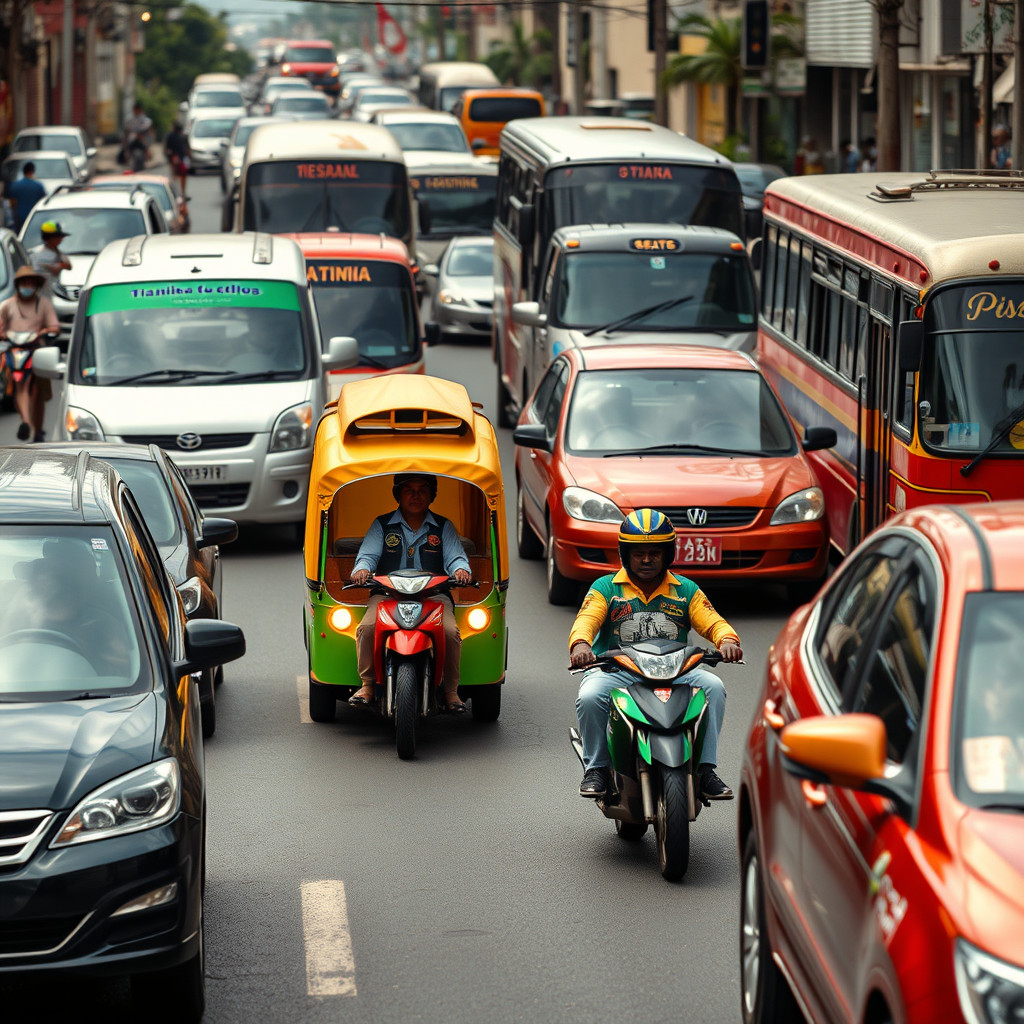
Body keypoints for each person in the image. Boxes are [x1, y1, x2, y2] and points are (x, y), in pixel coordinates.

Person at [568, 509, 743, 800]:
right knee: (590, 695)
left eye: (654, 553)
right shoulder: (605, 587)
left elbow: (712, 621)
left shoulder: (686, 589)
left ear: (667, 554)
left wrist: (726, 640)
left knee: (713, 687)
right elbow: (586, 620)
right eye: (639, 554)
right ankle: (596, 768)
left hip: (677, 670)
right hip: (618, 671)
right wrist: (581, 645)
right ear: (626, 555)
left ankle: (704, 770)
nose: (646, 560)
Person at [349, 473, 472, 712]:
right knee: (367, 628)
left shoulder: (443, 526)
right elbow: (368, 556)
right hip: (387, 594)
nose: (415, 495)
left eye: (422, 490)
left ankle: (450, 692)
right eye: (409, 490)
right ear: (398, 494)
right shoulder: (382, 525)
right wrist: (362, 569)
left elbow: (456, 558)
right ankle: (367, 685)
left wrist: (461, 570)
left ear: (432, 495)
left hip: (433, 595)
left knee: (450, 632)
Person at [8, 538, 131, 675]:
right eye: (39, 583)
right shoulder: (18, 614)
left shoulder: (103, 624)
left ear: (75, 592)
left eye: (57, 583)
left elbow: (125, 669)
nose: (47, 588)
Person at [0, 265, 59, 442]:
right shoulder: (8, 305)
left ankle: (38, 430)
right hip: (15, 351)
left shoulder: (44, 304)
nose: (27, 286)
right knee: (20, 385)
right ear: (18, 285)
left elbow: (54, 326)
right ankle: (25, 422)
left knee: (38, 392)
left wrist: (46, 332)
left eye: (30, 283)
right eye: (24, 283)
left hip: (37, 351)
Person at [28, 220, 72, 299]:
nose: (61, 239)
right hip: (40, 294)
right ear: (50, 238)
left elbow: (68, 266)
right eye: (58, 237)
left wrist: (60, 265)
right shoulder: (37, 254)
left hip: (51, 294)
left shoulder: (58, 253)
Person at [5, 162, 46, 232]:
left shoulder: (15, 185)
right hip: (34, 219)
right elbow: (44, 201)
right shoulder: (38, 186)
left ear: (23, 172)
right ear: (32, 171)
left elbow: (11, 202)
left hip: (19, 219)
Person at [164, 121, 192, 197]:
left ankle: (175, 193)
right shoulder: (183, 136)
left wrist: (171, 158)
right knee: (182, 177)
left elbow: (168, 149)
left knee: (175, 176)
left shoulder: (170, 136)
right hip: (181, 159)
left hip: (175, 159)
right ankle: (181, 193)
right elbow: (187, 149)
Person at [123, 102, 154, 171]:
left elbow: (148, 130)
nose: (136, 111)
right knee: (126, 150)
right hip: (132, 138)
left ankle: (147, 156)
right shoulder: (130, 119)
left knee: (145, 147)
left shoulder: (145, 119)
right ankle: (127, 158)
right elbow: (126, 130)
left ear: (140, 110)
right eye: (135, 109)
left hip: (142, 139)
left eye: (137, 109)